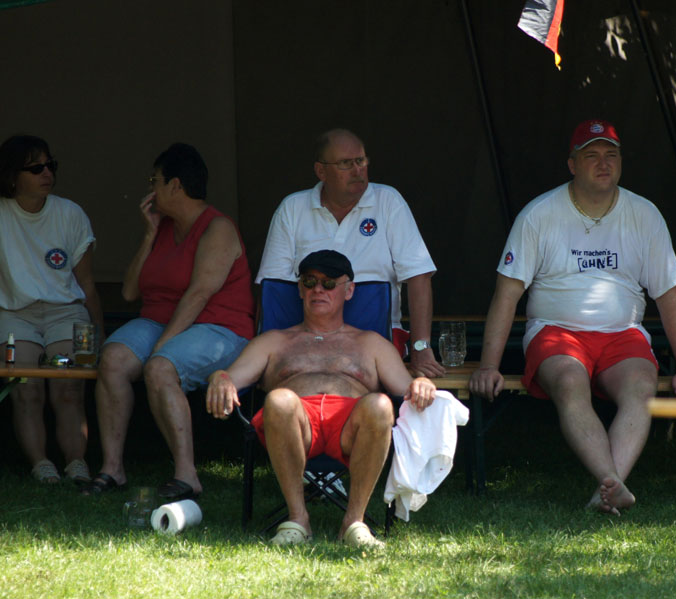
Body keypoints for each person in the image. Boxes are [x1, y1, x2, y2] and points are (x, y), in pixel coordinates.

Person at [469, 120, 676, 515]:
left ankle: (607, 487)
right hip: (556, 331)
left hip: (623, 333)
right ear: (572, 164)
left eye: (611, 155)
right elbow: (507, 294)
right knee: (569, 383)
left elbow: (669, 297)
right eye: (591, 155)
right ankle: (613, 482)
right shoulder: (539, 214)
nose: (603, 163)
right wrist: (489, 365)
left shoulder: (644, 214)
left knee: (641, 389)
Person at [206, 249, 436, 547]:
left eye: (329, 283)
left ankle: (354, 523)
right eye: (310, 281)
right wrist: (219, 378)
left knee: (380, 405)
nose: (318, 289)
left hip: (353, 428)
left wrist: (421, 383)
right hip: (293, 425)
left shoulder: (371, 343)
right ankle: (297, 520)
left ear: (348, 290)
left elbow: (407, 389)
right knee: (279, 400)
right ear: (300, 289)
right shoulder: (274, 341)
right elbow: (230, 377)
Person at [82, 143, 254, 499]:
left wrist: (162, 346)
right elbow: (129, 291)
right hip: (160, 320)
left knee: (161, 366)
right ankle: (112, 469)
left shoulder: (218, 227)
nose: (150, 189)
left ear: (176, 185)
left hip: (218, 327)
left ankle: (187, 475)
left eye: (154, 181)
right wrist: (148, 234)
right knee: (113, 358)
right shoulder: (162, 227)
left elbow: (199, 295)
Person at [256, 128, 444, 377]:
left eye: (361, 161)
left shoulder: (388, 201)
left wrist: (421, 346)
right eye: (346, 163)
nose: (357, 170)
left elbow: (419, 276)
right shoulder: (292, 208)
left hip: (378, 337)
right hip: (308, 335)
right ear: (321, 171)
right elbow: (274, 290)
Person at [0, 134, 104, 484]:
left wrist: (99, 336)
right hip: (14, 315)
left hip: (67, 312)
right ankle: (41, 464)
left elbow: (86, 284)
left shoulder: (70, 213)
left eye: (50, 165)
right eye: (36, 168)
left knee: (70, 387)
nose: (47, 173)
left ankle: (76, 462)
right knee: (25, 386)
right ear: (11, 176)